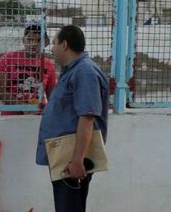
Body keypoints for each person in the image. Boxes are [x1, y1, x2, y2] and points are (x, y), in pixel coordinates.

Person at [36, 25, 109, 212]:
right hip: (63, 157)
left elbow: (87, 118)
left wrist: (78, 160)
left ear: (65, 45)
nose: (51, 49)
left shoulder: (84, 72)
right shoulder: (72, 70)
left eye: (54, 43)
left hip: (72, 160)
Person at [0, 20, 57, 115]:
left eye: (39, 40)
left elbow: (52, 97)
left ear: (45, 42)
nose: (34, 44)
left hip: (37, 118)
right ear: (23, 40)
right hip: (10, 118)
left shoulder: (49, 65)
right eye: (30, 39)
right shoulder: (7, 59)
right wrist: (23, 106)